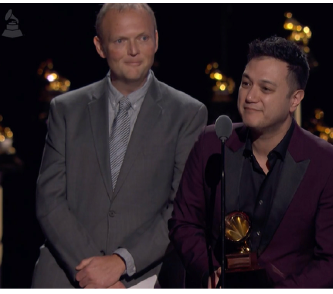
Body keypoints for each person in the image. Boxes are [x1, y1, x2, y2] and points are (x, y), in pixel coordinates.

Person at [31, 3, 208, 289]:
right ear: (100, 47)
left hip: (142, 278)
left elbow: (181, 209)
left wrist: (121, 262)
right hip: (66, 274)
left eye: (143, 38)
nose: (134, 51)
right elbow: (49, 201)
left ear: (157, 40)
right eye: (120, 40)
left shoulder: (188, 114)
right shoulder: (66, 110)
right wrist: (96, 272)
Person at [168, 36, 333, 289]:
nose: (250, 96)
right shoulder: (212, 143)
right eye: (246, 83)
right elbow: (184, 222)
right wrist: (210, 273)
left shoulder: (329, 166)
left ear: (295, 99)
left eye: (266, 89)